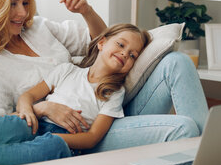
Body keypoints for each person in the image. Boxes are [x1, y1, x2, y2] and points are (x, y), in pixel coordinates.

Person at [0, 0, 209, 165]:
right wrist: (43, 108)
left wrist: (87, 11)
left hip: (110, 101)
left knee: (177, 61)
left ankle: (213, 154)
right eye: (13, 4)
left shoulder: (38, 29)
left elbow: (99, 42)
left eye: (24, 3)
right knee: (184, 128)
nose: (22, 12)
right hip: (80, 130)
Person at [14, 24, 150, 152]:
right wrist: (27, 112)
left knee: (50, 147)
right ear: (102, 43)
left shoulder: (114, 92)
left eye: (132, 55)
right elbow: (27, 96)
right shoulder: (67, 70)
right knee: (10, 123)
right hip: (36, 123)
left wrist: (51, 139)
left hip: (62, 140)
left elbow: (92, 138)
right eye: (121, 44)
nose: (125, 53)